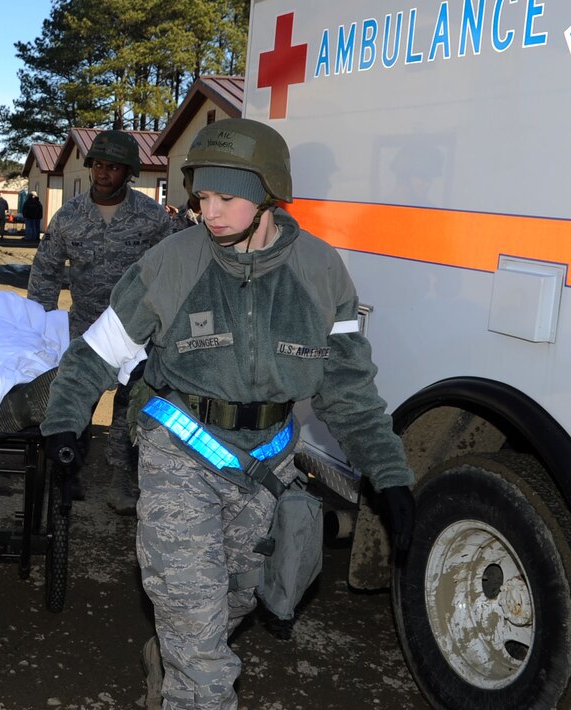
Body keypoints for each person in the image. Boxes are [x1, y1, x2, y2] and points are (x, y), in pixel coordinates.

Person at [39, 118, 416, 709]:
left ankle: (174, 655)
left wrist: (390, 476)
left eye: (226, 198)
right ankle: (191, 677)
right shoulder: (172, 262)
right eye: (202, 197)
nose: (208, 212)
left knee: (235, 598)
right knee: (198, 630)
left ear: (267, 197)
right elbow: (97, 352)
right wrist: (63, 422)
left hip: (265, 464)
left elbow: (349, 391)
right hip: (179, 453)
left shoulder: (320, 272)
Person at [28, 129, 175, 513]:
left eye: (112, 167)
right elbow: (44, 271)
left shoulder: (151, 218)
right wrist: (42, 322)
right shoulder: (70, 216)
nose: (102, 173)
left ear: (129, 172)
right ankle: (67, 473)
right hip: (85, 331)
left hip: (137, 333)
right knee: (75, 402)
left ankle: (121, 478)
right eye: (97, 165)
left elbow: (171, 273)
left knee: (131, 408)